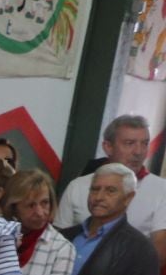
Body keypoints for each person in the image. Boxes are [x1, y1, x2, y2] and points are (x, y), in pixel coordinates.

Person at [56, 114, 166, 266]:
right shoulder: (78, 186)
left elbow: (158, 255)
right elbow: (58, 242)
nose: (139, 151)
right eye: (129, 143)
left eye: (145, 143)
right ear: (108, 147)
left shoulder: (162, 189)